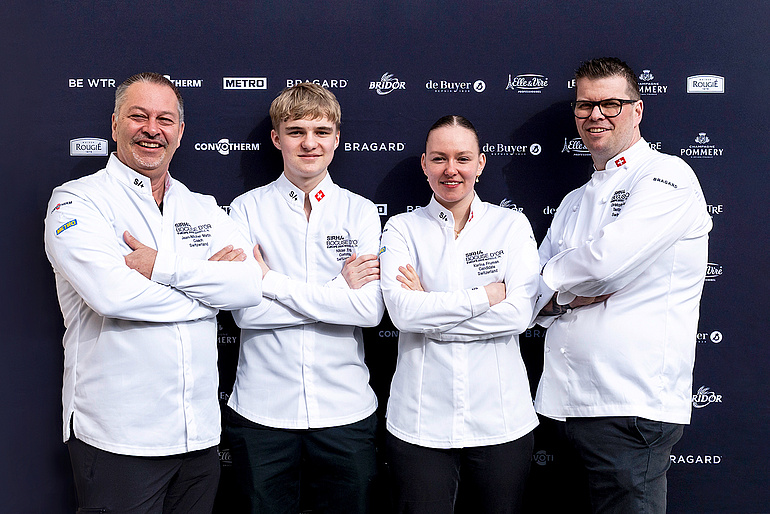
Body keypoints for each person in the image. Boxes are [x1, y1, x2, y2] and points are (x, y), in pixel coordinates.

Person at [44, 72, 263, 513]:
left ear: (179, 132)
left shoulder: (202, 206)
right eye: (138, 116)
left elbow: (247, 285)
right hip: (118, 438)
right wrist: (207, 298)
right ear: (115, 125)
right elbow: (112, 295)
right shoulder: (77, 201)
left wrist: (159, 267)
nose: (151, 129)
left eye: (164, 119)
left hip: (199, 438)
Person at [533, 57, 712, 513]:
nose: (596, 115)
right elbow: (532, 293)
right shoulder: (573, 200)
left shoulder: (667, 176)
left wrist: (554, 283)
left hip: (630, 406)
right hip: (564, 406)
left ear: (637, 110)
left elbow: (606, 264)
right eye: (585, 105)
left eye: (611, 104)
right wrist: (565, 295)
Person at [224, 82, 384, 514]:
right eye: (296, 131)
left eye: (321, 131)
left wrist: (271, 282)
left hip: (346, 412)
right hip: (262, 413)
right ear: (277, 139)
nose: (309, 143)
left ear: (336, 138)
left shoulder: (360, 211)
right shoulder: (245, 209)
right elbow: (244, 312)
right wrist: (337, 293)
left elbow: (369, 310)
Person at [379, 115, 541, 513]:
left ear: (480, 164)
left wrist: (430, 309)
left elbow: (518, 315)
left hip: (502, 422)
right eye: (439, 158)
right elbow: (403, 314)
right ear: (424, 164)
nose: (451, 169)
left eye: (462, 158)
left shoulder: (511, 225)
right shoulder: (401, 229)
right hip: (420, 423)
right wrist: (484, 296)